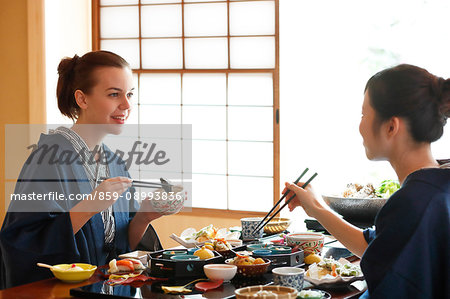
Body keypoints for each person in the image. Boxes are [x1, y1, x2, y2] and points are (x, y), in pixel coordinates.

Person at [0, 51, 173, 289]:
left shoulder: (115, 162)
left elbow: (122, 248)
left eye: (130, 94)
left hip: (109, 290)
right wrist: (91, 205)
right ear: (82, 99)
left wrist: (145, 216)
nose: (126, 105)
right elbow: (22, 243)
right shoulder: (47, 160)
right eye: (114, 94)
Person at [284, 64, 450, 298]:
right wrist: (316, 207)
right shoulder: (438, 186)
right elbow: (376, 246)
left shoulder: (413, 202)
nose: (360, 125)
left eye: (364, 115)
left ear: (391, 126)